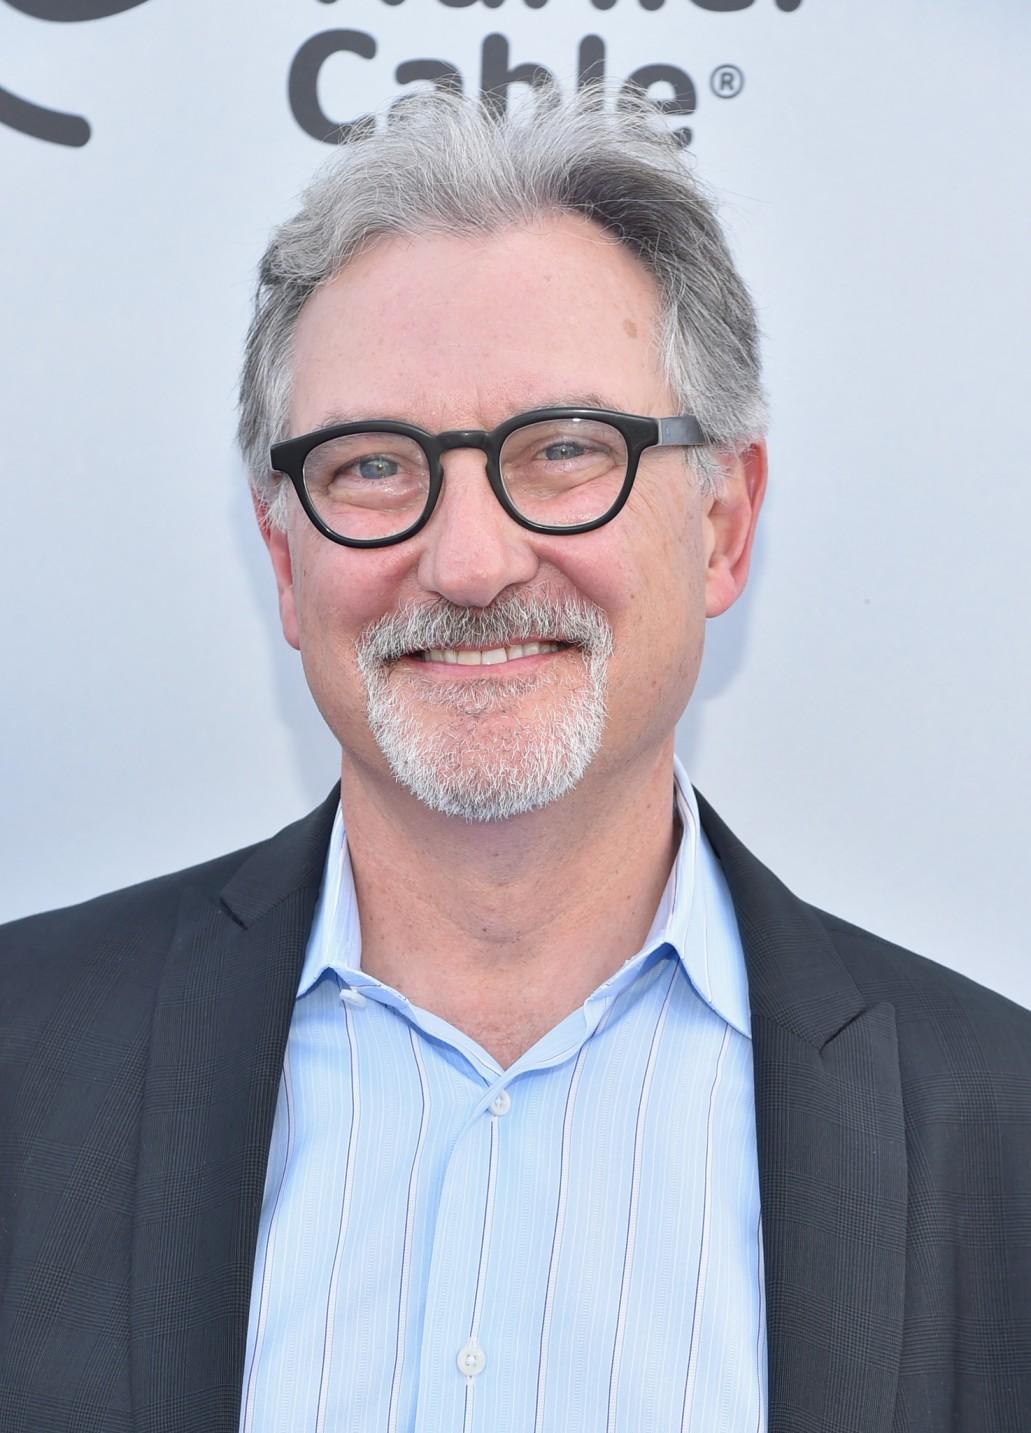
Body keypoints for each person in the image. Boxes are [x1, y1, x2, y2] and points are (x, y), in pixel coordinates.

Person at [1, 87, 1028, 1433]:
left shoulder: (996, 1127)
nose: (472, 561)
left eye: (562, 451)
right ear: (285, 562)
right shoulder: (25, 1059)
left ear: (723, 525)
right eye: (373, 466)